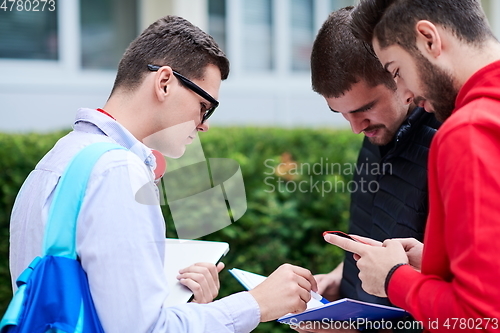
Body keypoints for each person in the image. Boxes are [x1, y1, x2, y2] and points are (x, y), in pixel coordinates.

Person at [9, 15, 318, 333]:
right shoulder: (117, 172)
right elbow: (144, 329)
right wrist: (255, 304)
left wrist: (183, 303)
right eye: (204, 105)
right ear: (165, 82)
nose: (204, 123)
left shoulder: (56, 159)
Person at [326, 0, 500, 332]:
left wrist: (394, 279)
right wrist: (434, 263)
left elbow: (482, 320)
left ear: (428, 39)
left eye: (395, 70)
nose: (405, 92)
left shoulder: (469, 131)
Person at [292, 7, 440, 333]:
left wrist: (357, 328)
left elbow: (466, 306)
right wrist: (339, 278)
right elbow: (377, 236)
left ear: (398, 76)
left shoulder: (448, 145)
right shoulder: (377, 130)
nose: (355, 128)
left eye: (365, 109)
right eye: (341, 114)